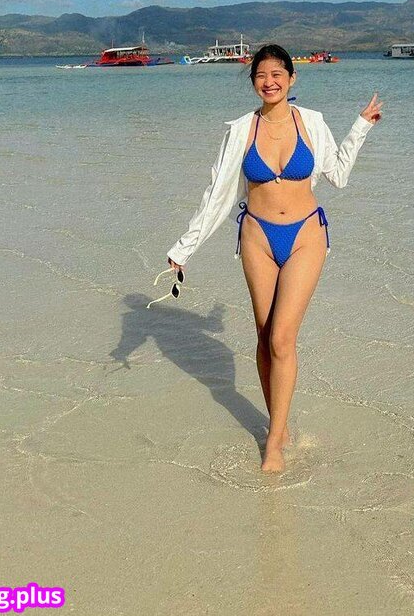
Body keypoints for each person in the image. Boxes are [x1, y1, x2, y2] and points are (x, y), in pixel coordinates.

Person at [160, 42, 382, 473]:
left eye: (278, 73)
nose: (270, 81)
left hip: (305, 235)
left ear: (292, 78)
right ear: (253, 82)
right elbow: (217, 194)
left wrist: (360, 126)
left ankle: (274, 442)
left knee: (282, 338)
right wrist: (184, 248)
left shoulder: (311, 121)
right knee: (264, 337)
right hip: (258, 237)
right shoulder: (241, 130)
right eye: (262, 75)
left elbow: (337, 175)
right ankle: (278, 425)